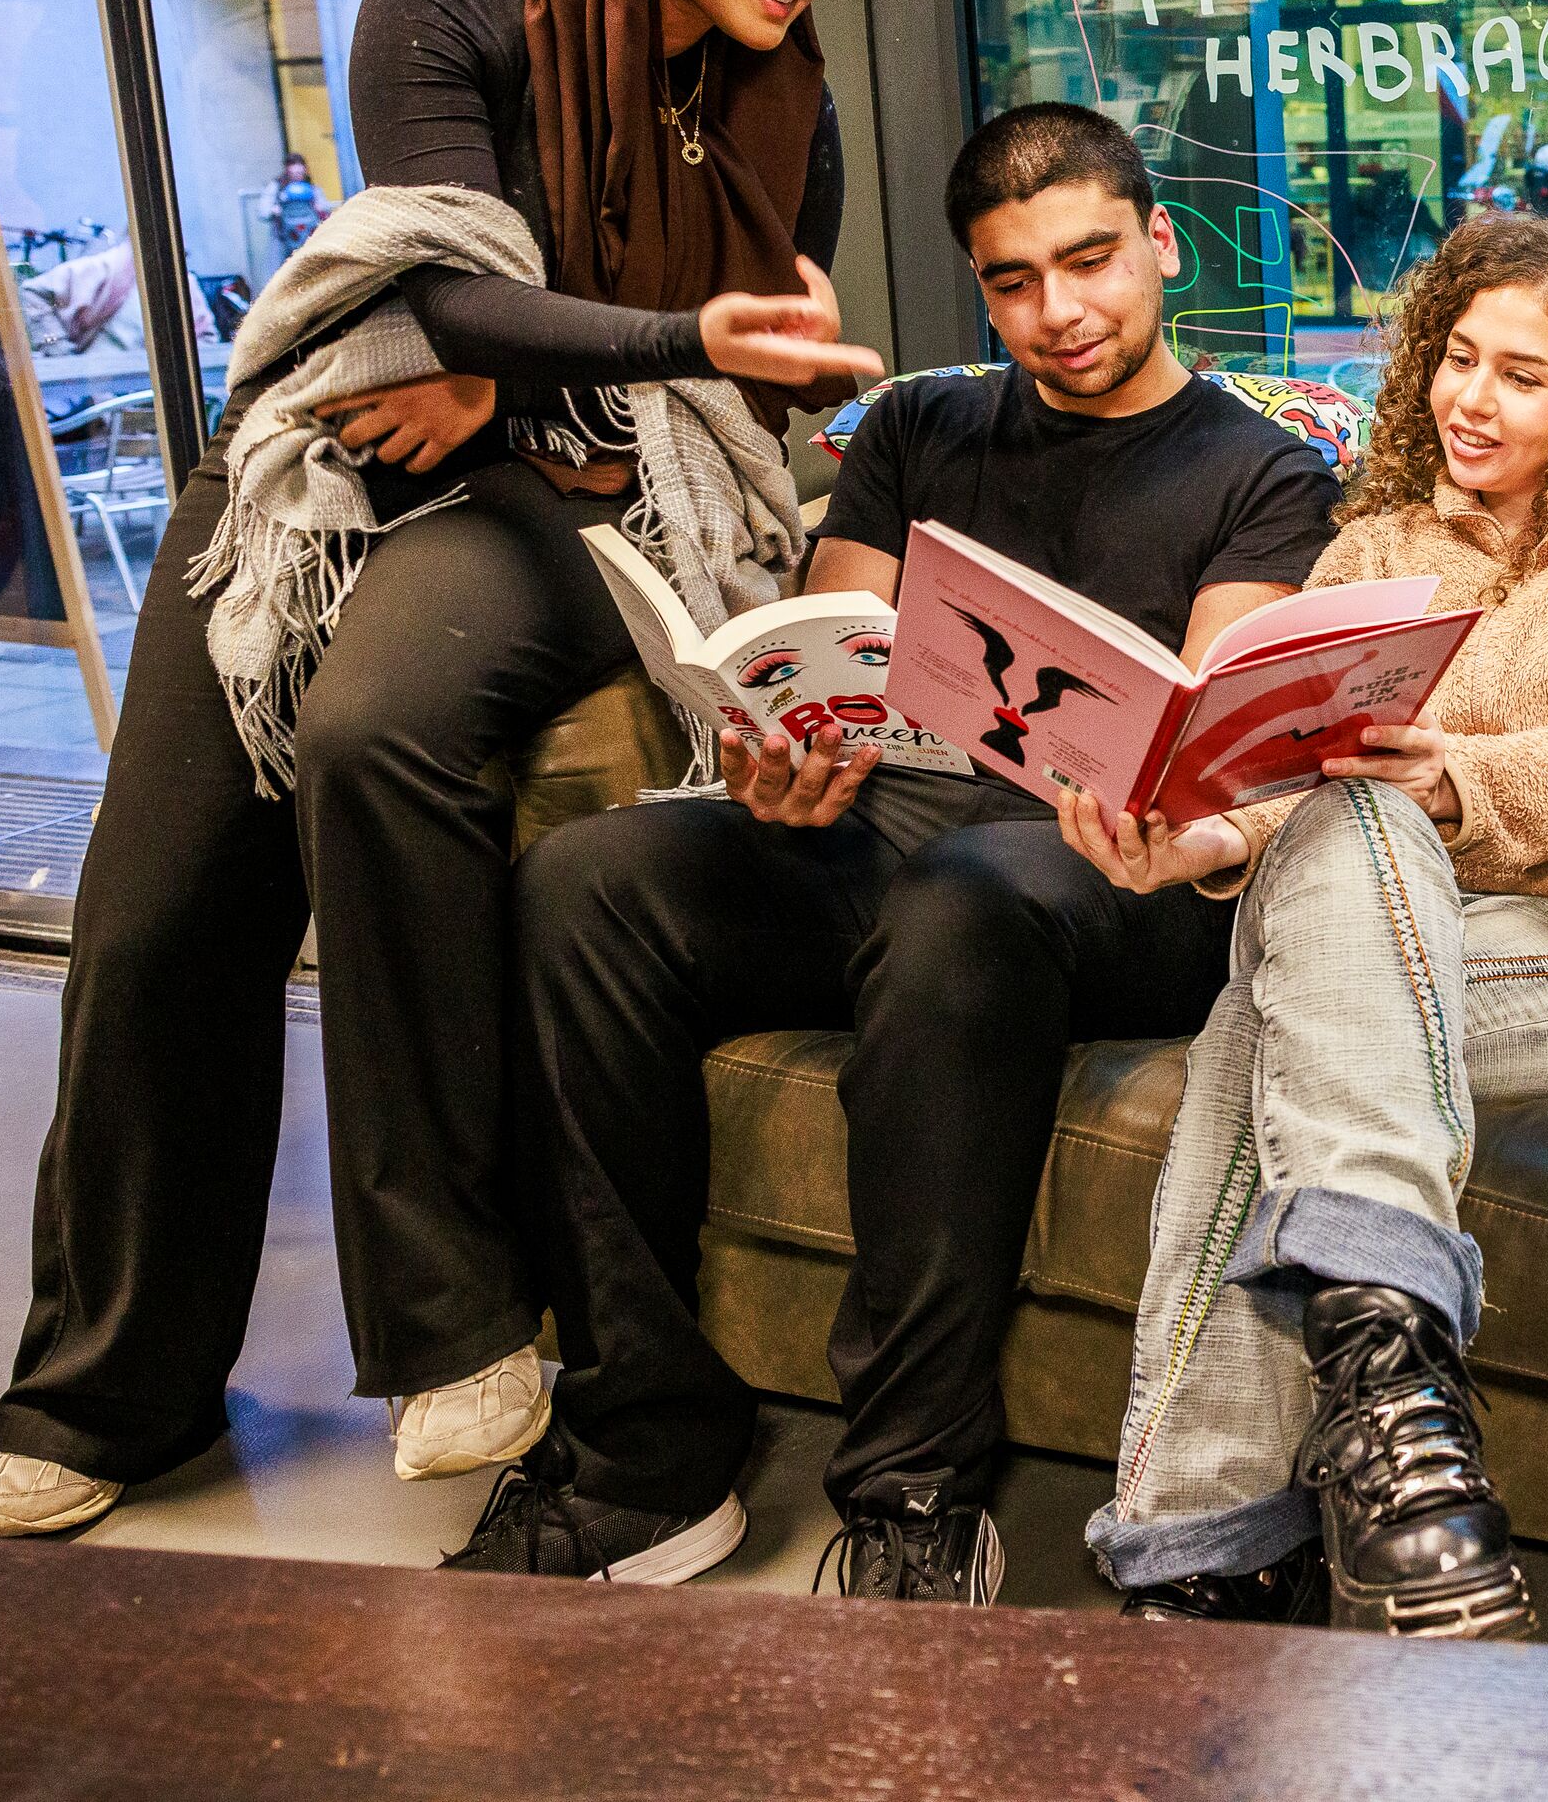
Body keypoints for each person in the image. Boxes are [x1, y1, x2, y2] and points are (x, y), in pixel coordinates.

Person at [0, 0, 886, 1543]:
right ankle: (107, 1392)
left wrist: (547, 376)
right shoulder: (444, 7)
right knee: (154, 906)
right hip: (322, 473)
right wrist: (612, 338)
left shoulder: (792, 106)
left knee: (377, 733)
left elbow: (726, 403)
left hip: (568, 490)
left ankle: (457, 1324)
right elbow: (432, 275)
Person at [468, 103, 1346, 1589]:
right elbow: (836, 652)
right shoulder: (924, 429)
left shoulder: (1265, 474)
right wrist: (780, 760)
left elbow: (1208, 768)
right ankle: (647, 1452)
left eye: (1088, 263)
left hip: (1113, 888)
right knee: (583, 878)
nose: (1057, 313)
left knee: (962, 895)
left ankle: (916, 1488)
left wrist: (1140, 807)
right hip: (890, 843)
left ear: (1161, 245)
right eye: (1012, 282)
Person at [1053, 214, 1548, 1639]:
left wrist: (1453, 780)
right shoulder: (1374, 534)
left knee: (1290, 972)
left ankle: (1207, 1548)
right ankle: (1393, 1414)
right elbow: (1278, 763)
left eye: (1518, 374)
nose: (1467, 397)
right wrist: (1194, 835)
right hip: (1350, 936)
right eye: (1454, 358)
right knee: (1332, 862)